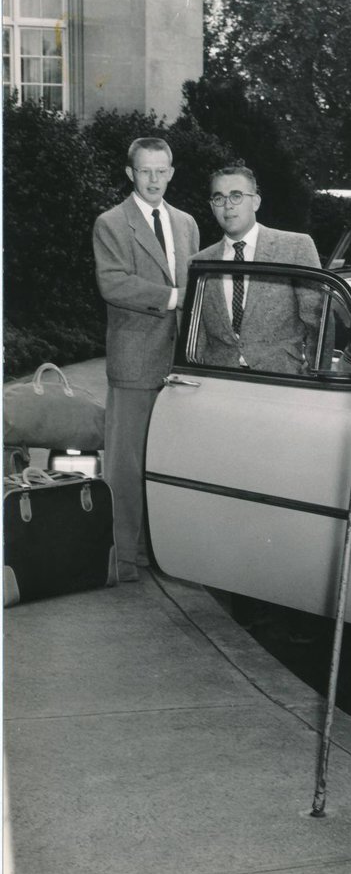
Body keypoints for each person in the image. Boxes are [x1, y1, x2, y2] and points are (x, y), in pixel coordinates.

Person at [93, 137, 200, 584]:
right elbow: (113, 284)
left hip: (180, 363)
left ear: (172, 172)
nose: (154, 179)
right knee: (127, 463)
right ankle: (126, 558)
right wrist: (174, 298)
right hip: (136, 360)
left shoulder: (187, 223)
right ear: (130, 173)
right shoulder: (112, 223)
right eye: (145, 171)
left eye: (161, 171)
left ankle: (164, 553)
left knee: (171, 462)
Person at [194, 165, 323, 375]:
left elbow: (319, 322)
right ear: (211, 206)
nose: (228, 205)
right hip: (219, 385)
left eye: (236, 196)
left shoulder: (295, 248)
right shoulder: (200, 263)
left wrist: (315, 376)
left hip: (281, 381)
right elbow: (197, 339)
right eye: (219, 198)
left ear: (255, 202)